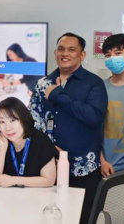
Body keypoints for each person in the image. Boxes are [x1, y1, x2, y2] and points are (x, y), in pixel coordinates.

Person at [29, 32, 107, 224]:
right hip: (48, 167)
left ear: (82, 55)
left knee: (81, 218)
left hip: (83, 169)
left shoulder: (93, 83)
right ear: (55, 53)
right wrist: (47, 148)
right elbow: (33, 121)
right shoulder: (42, 83)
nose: (65, 53)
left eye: (72, 49)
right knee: (47, 217)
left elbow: (94, 117)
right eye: (61, 49)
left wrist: (59, 95)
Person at [0, 97, 57, 187]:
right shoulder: (0, 140)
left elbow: (49, 180)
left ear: (23, 119)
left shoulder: (41, 140)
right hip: (6, 197)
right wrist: (3, 149)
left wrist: (14, 180)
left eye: (12, 120)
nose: (8, 128)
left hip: (37, 197)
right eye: (2, 122)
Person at [100, 34, 124, 177]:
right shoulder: (99, 88)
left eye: (118, 53)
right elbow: (91, 130)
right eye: (108, 55)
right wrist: (101, 161)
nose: (112, 58)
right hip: (102, 166)